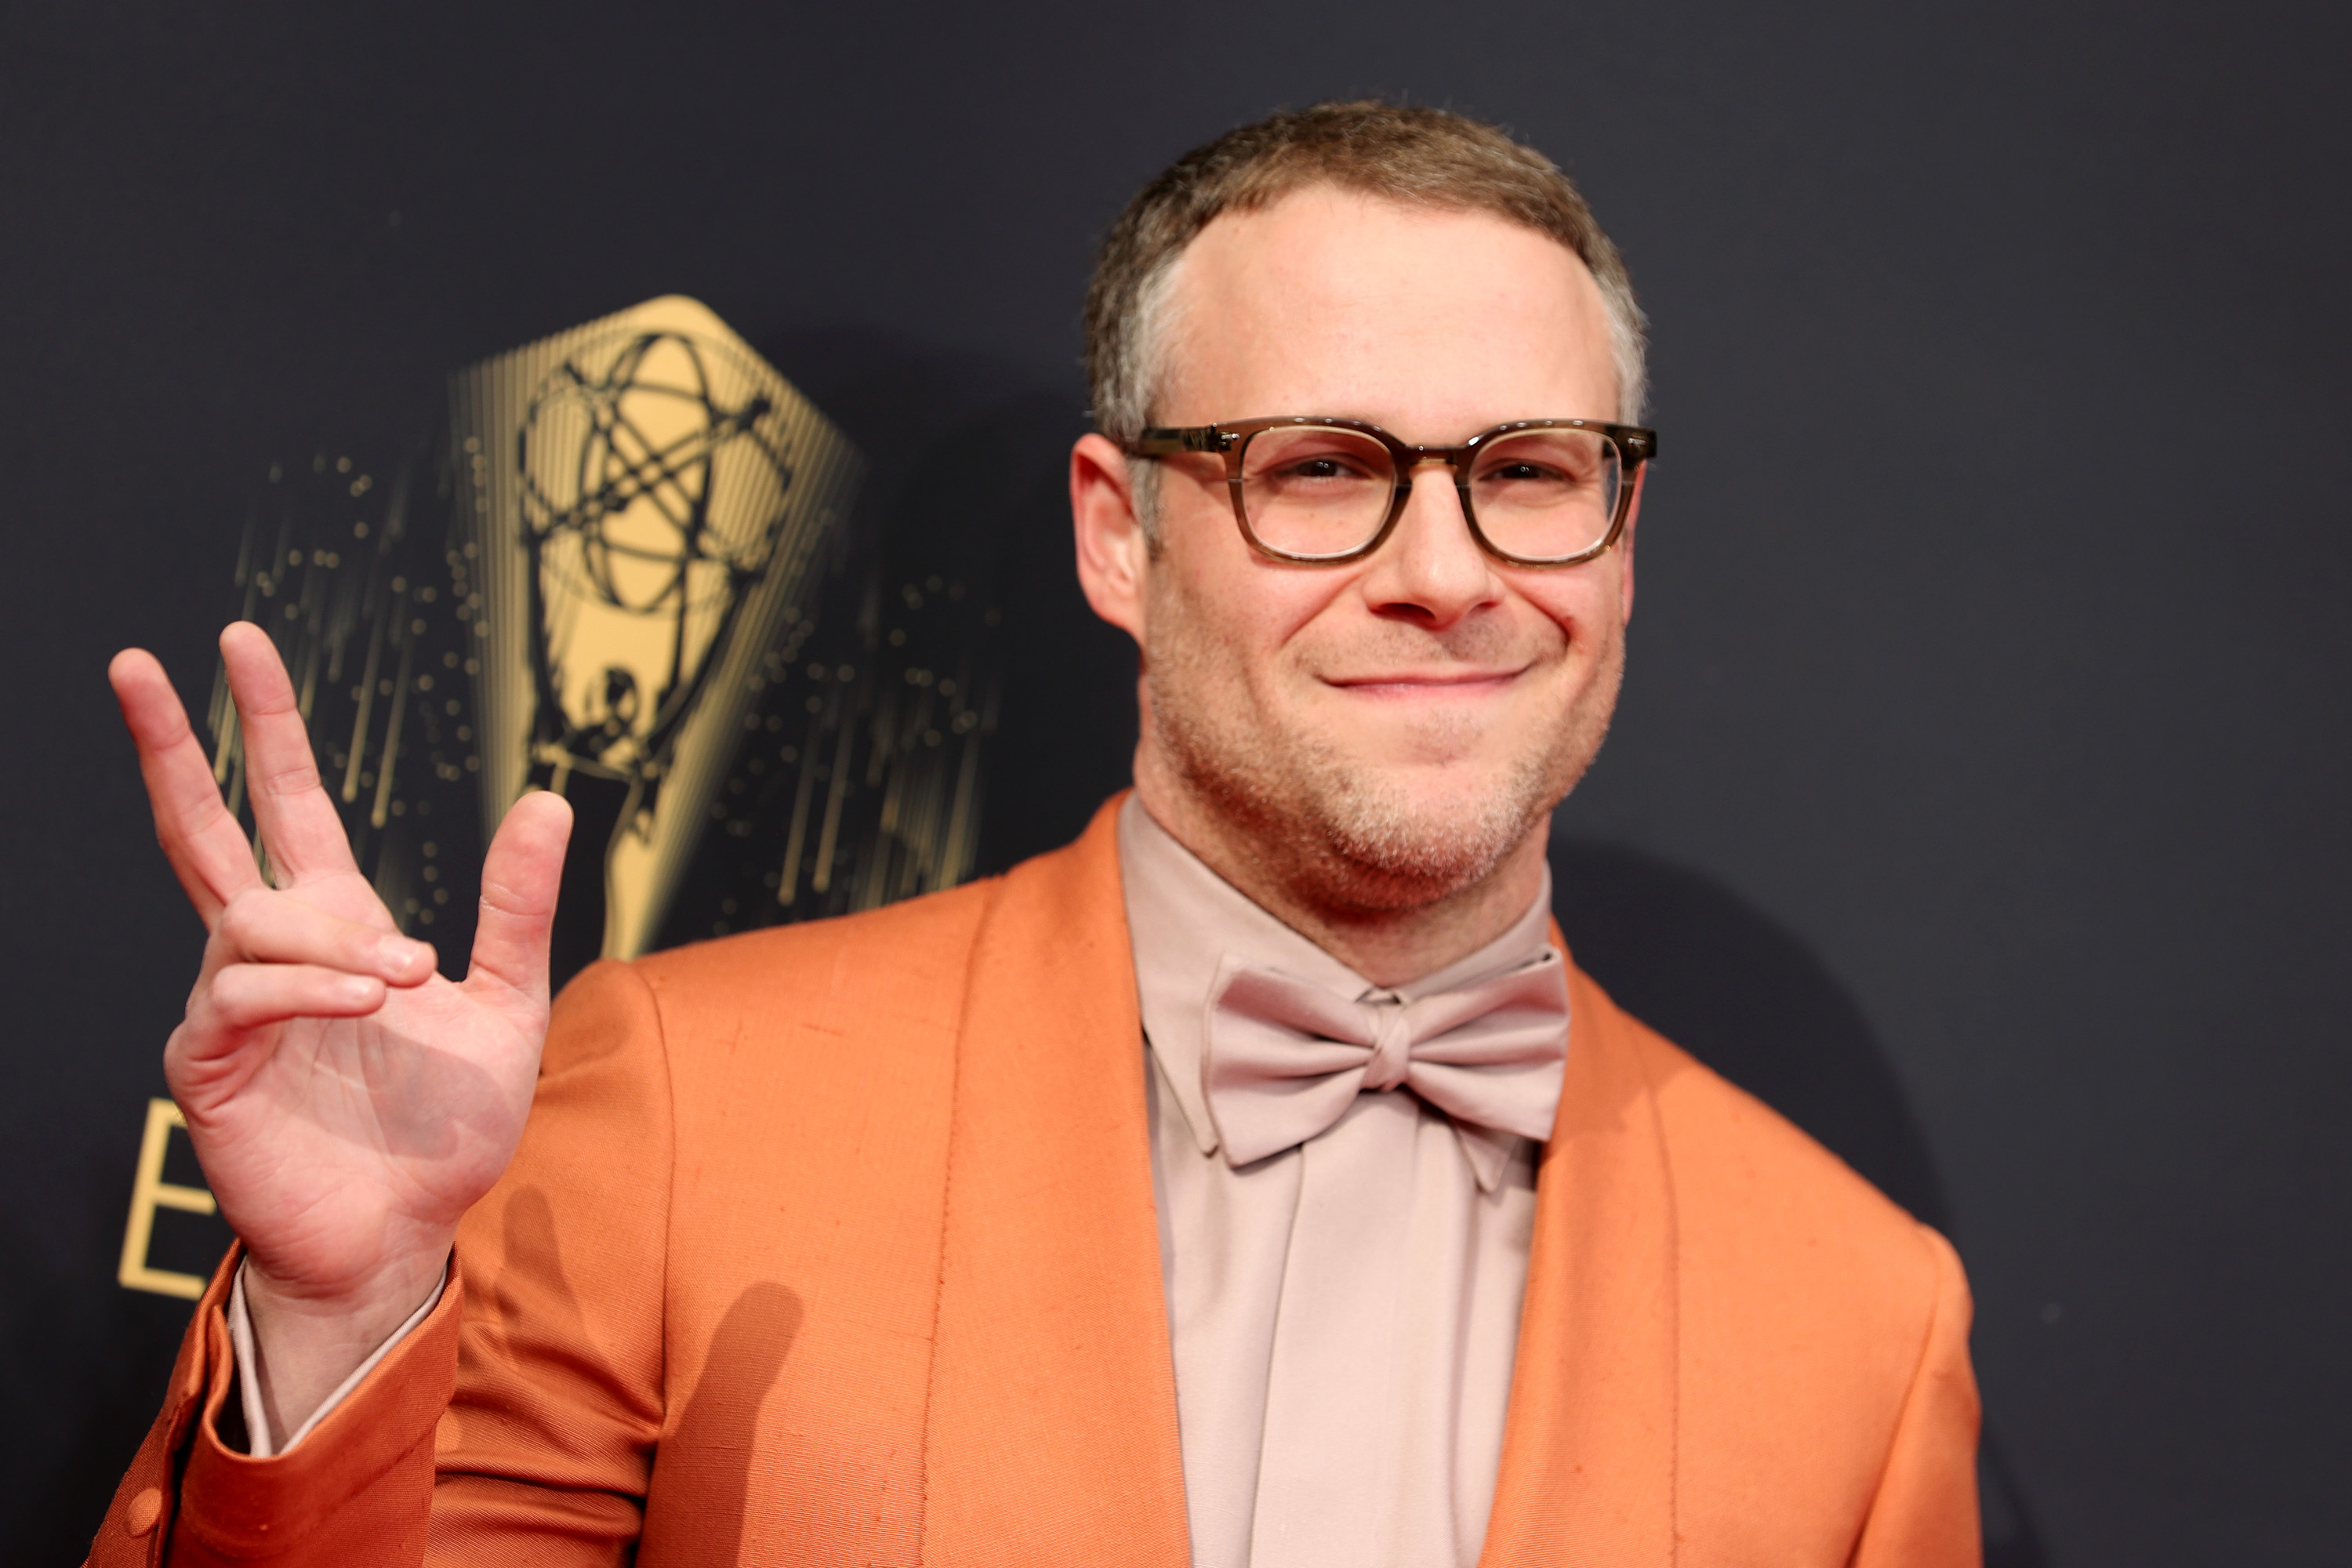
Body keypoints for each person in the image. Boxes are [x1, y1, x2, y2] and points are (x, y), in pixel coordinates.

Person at [89, 103, 1980, 1567]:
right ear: (1114, 533)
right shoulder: (682, 1101)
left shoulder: (1860, 1318)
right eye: (1321, 469)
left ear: (1621, 540)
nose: (1441, 572)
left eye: (1530, 476)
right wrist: (339, 1319)